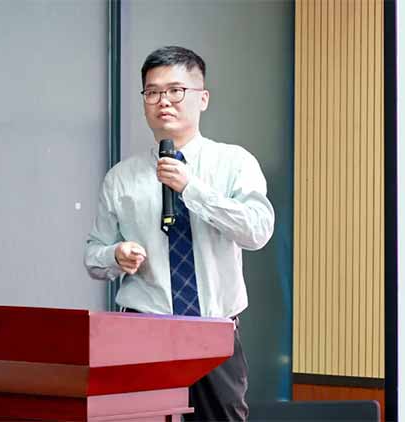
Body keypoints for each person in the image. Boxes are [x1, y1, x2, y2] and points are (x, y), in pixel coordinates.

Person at [84, 46, 274, 421]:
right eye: (153, 92)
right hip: (141, 332)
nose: (164, 102)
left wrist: (192, 188)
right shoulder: (121, 177)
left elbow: (257, 231)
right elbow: (94, 255)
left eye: (176, 90)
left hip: (214, 335)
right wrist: (115, 255)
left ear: (202, 98)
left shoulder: (234, 163)